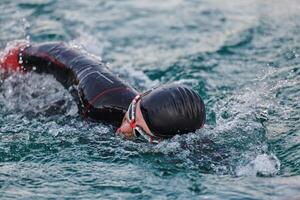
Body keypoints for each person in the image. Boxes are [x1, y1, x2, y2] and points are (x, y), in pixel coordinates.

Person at [0, 42, 206, 143]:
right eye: (131, 115)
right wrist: (15, 58)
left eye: (138, 133)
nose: (124, 129)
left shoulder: (183, 145)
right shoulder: (101, 97)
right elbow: (66, 56)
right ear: (137, 100)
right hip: (70, 110)